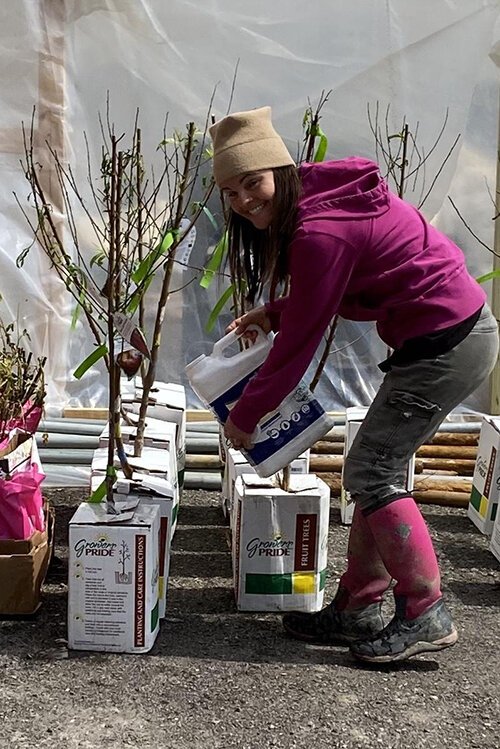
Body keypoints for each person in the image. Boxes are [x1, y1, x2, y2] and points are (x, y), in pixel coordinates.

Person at [208, 105, 499, 663]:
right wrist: (276, 310)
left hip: (447, 346)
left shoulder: (318, 231)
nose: (243, 200)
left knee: (371, 470)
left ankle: (425, 608)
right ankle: (359, 605)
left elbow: (300, 344)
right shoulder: (322, 199)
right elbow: (331, 289)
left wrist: (245, 416)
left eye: (253, 182)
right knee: (372, 467)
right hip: (443, 337)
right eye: (230, 191)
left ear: (280, 171)